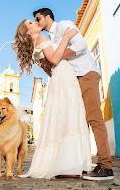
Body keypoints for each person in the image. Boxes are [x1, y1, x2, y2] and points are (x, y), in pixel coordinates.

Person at [33, 8, 114, 181]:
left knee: (94, 117)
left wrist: (58, 56)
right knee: (76, 122)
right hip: (73, 81)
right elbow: (58, 67)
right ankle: (78, 165)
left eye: (38, 18)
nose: (37, 22)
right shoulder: (51, 39)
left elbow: (81, 45)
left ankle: (105, 166)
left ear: (48, 16)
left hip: (86, 74)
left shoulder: (63, 26)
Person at [12, 19, 91, 179]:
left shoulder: (35, 47)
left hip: (59, 76)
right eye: (31, 23)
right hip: (64, 75)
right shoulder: (41, 39)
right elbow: (55, 59)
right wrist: (66, 37)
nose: (35, 23)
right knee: (70, 116)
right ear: (28, 32)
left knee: (63, 117)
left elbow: (48, 69)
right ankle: (70, 166)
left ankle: (66, 165)